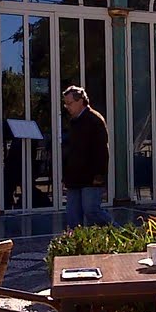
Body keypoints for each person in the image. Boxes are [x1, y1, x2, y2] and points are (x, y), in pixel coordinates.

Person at [61, 85, 113, 228]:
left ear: (80, 101)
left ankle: (118, 231)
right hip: (74, 178)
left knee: (92, 211)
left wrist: (99, 175)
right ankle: (75, 245)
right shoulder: (73, 122)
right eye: (65, 104)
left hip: (91, 178)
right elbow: (70, 151)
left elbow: (102, 150)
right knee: (73, 217)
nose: (67, 107)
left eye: (69, 103)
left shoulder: (94, 120)